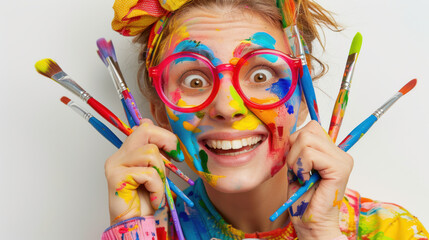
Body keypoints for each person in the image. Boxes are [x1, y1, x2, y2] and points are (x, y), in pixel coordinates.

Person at [101, 0, 429, 239]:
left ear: (303, 97)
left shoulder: (392, 231)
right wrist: (132, 233)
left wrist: (321, 234)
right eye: (194, 81)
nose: (227, 107)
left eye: (260, 74)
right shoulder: (145, 231)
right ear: (159, 111)